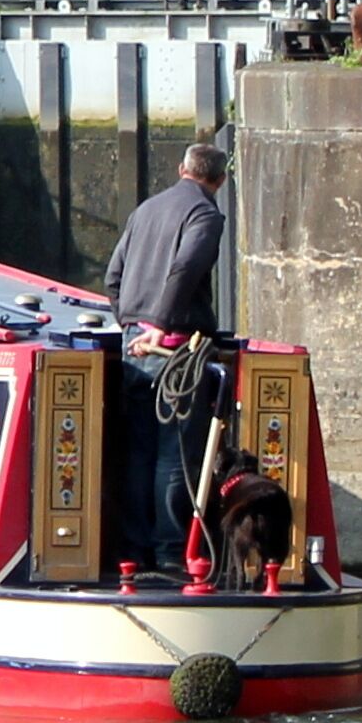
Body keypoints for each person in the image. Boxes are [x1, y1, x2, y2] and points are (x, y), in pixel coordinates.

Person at [104, 141, 232, 571]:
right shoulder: (205, 215)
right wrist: (159, 326)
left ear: (182, 169)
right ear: (221, 179)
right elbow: (185, 269)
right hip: (175, 347)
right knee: (174, 453)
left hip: (134, 343)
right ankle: (169, 552)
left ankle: (132, 550)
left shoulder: (145, 210)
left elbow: (113, 277)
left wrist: (131, 325)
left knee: (137, 450)